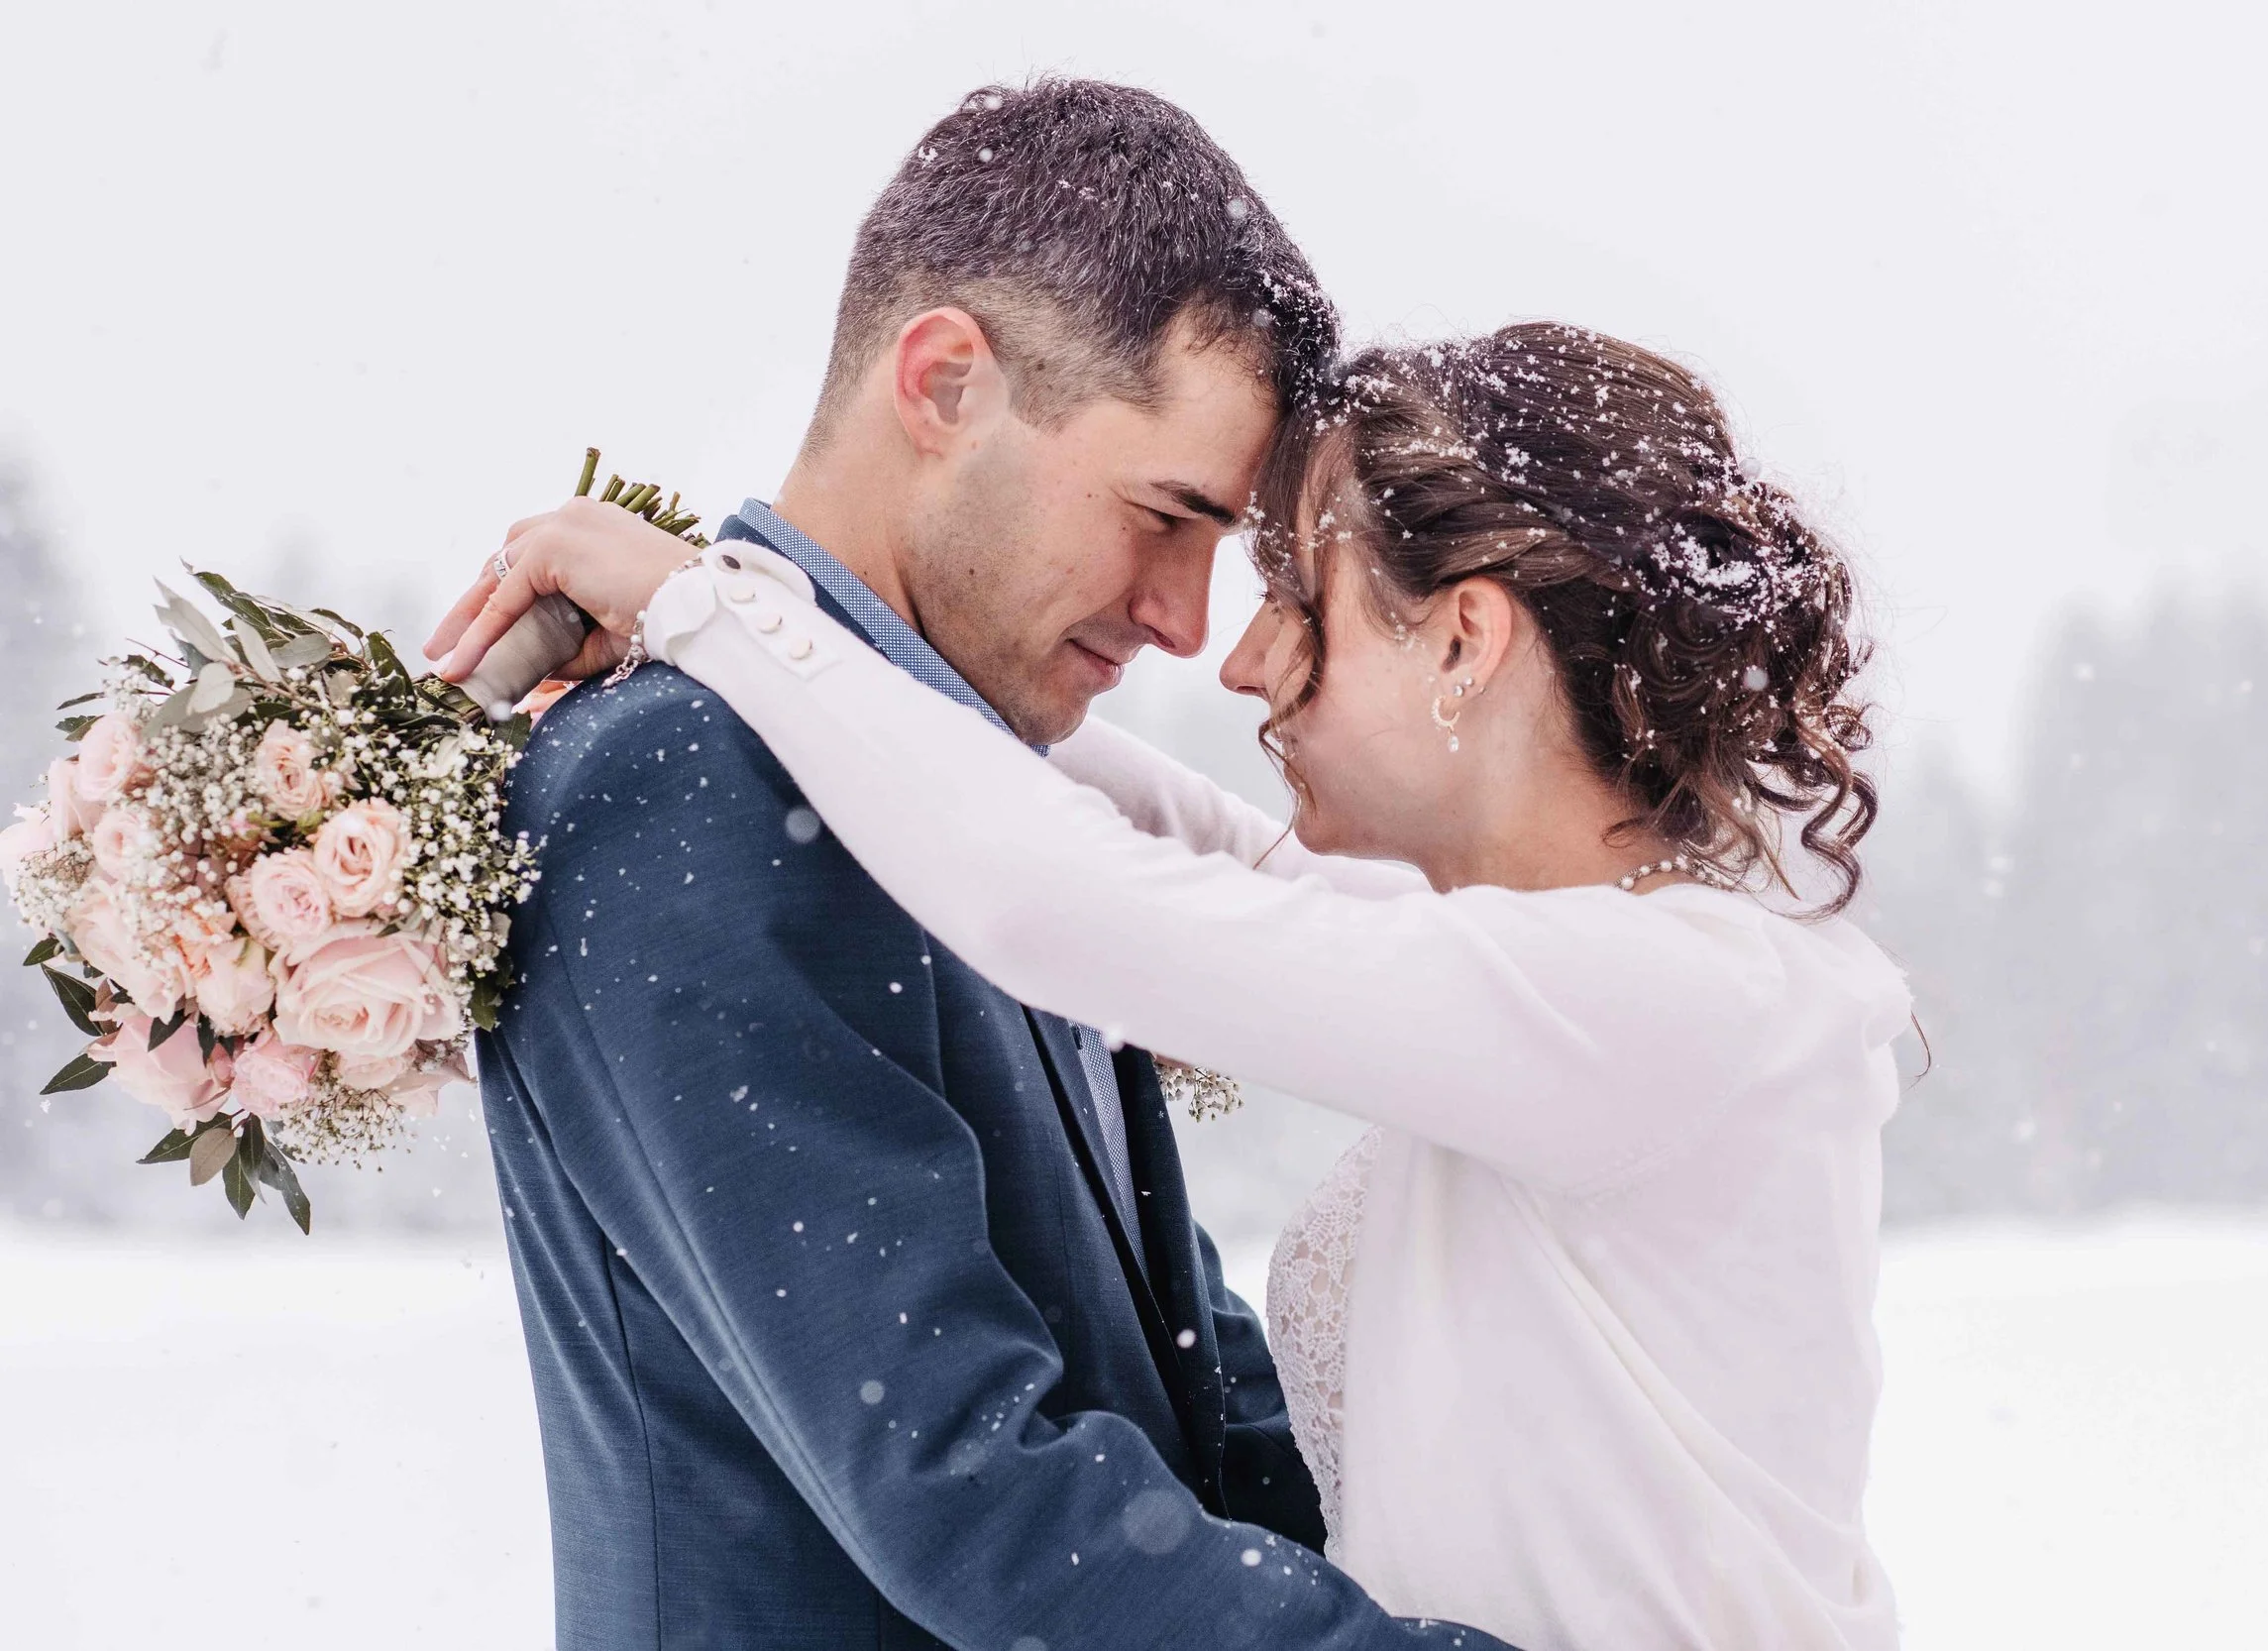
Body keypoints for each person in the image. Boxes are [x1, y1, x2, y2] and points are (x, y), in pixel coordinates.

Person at [439, 322, 1913, 1648]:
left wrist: (723, 619)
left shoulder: (1658, 1001)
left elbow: (1077, 897)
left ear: (1464, 638)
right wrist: (819, 644)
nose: (1241, 658)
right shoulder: (1570, 978)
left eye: (1299, 601)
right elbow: (1181, 852)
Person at [425, 79, 1514, 1651]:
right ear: (944, 383)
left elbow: (1178, 1390)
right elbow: (969, 1478)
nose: (1184, 621)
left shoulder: (976, 794)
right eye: (1167, 515)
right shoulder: (685, 781)